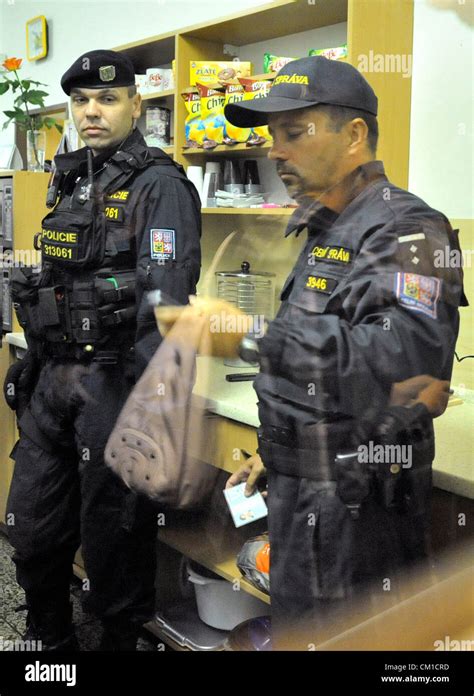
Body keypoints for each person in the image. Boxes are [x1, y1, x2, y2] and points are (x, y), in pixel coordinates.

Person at [224, 56, 467, 647]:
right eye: (270, 136)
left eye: (294, 132)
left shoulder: (412, 231)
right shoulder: (327, 227)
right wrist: (279, 452)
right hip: (306, 491)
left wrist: (250, 332)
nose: (275, 151)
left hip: (357, 514)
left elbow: (405, 364)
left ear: (355, 134)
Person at [3, 49, 201, 650]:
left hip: (114, 384)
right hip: (52, 379)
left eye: (107, 99)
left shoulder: (159, 185)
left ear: (136, 106)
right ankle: (51, 647)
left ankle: (118, 641)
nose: (92, 111)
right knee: (32, 526)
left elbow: (164, 308)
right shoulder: (71, 179)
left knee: (114, 539)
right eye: (81, 101)